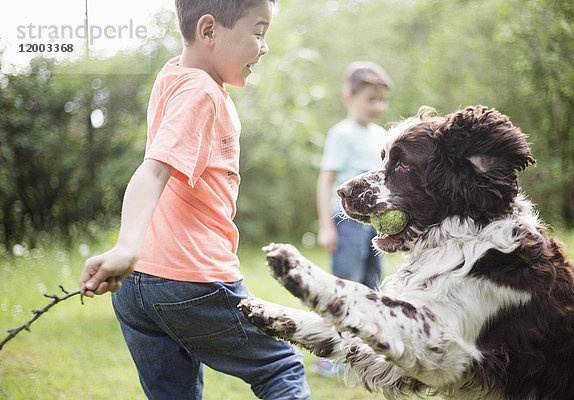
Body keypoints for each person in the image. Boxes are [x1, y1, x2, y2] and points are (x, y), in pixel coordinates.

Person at [79, 1, 310, 399]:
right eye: (258, 31)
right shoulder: (201, 91)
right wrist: (126, 246)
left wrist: (134, 256)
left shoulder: (174, 75)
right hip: (191, 279)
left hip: (139, 290)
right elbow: (153, 171)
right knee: (279, 366)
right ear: (208, 31)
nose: (265, 46)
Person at [314, 62, 392, 374]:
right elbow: (325, 181)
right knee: (344, 287)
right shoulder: (341, 134)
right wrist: (326, 226)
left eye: (382, 99)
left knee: (372, 286)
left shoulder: (381, 136)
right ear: (350, 98)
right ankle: (326, 355)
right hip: (345, 224)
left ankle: (361, 351)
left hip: (373, 225)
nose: (378, 106)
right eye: (371, 99)